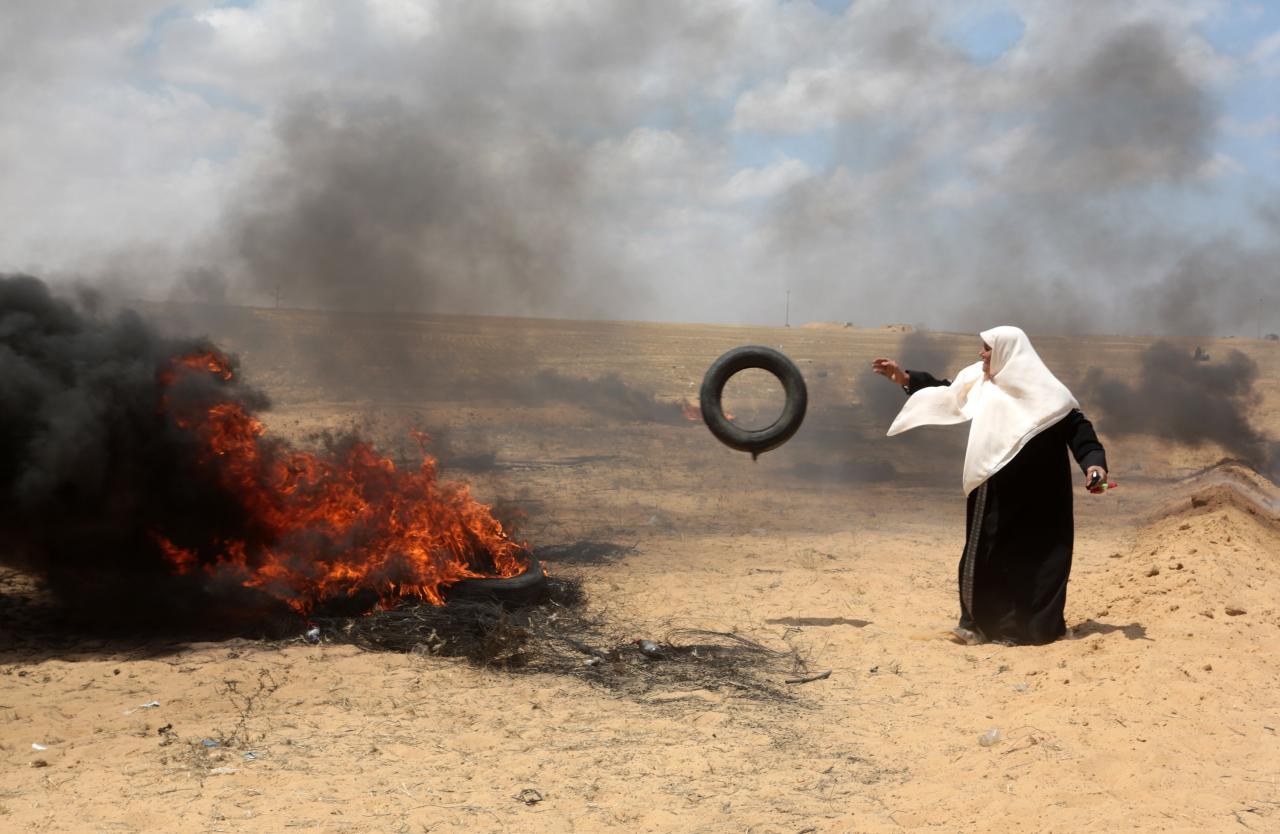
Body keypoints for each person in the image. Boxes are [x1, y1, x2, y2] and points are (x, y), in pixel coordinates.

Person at [871, 326, 1108, 646]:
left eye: (987, 348)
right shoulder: (981, 382)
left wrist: (1094, 465)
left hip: (1044, 495)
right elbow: (948, 392)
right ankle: (974, 626)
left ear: (1008, 352)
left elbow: (1080, 432)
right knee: (985, 553)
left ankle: (1034, 629)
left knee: (1042, 556)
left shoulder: (1051, 395)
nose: (981, 354)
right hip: (995, 488)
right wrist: (905, 378)